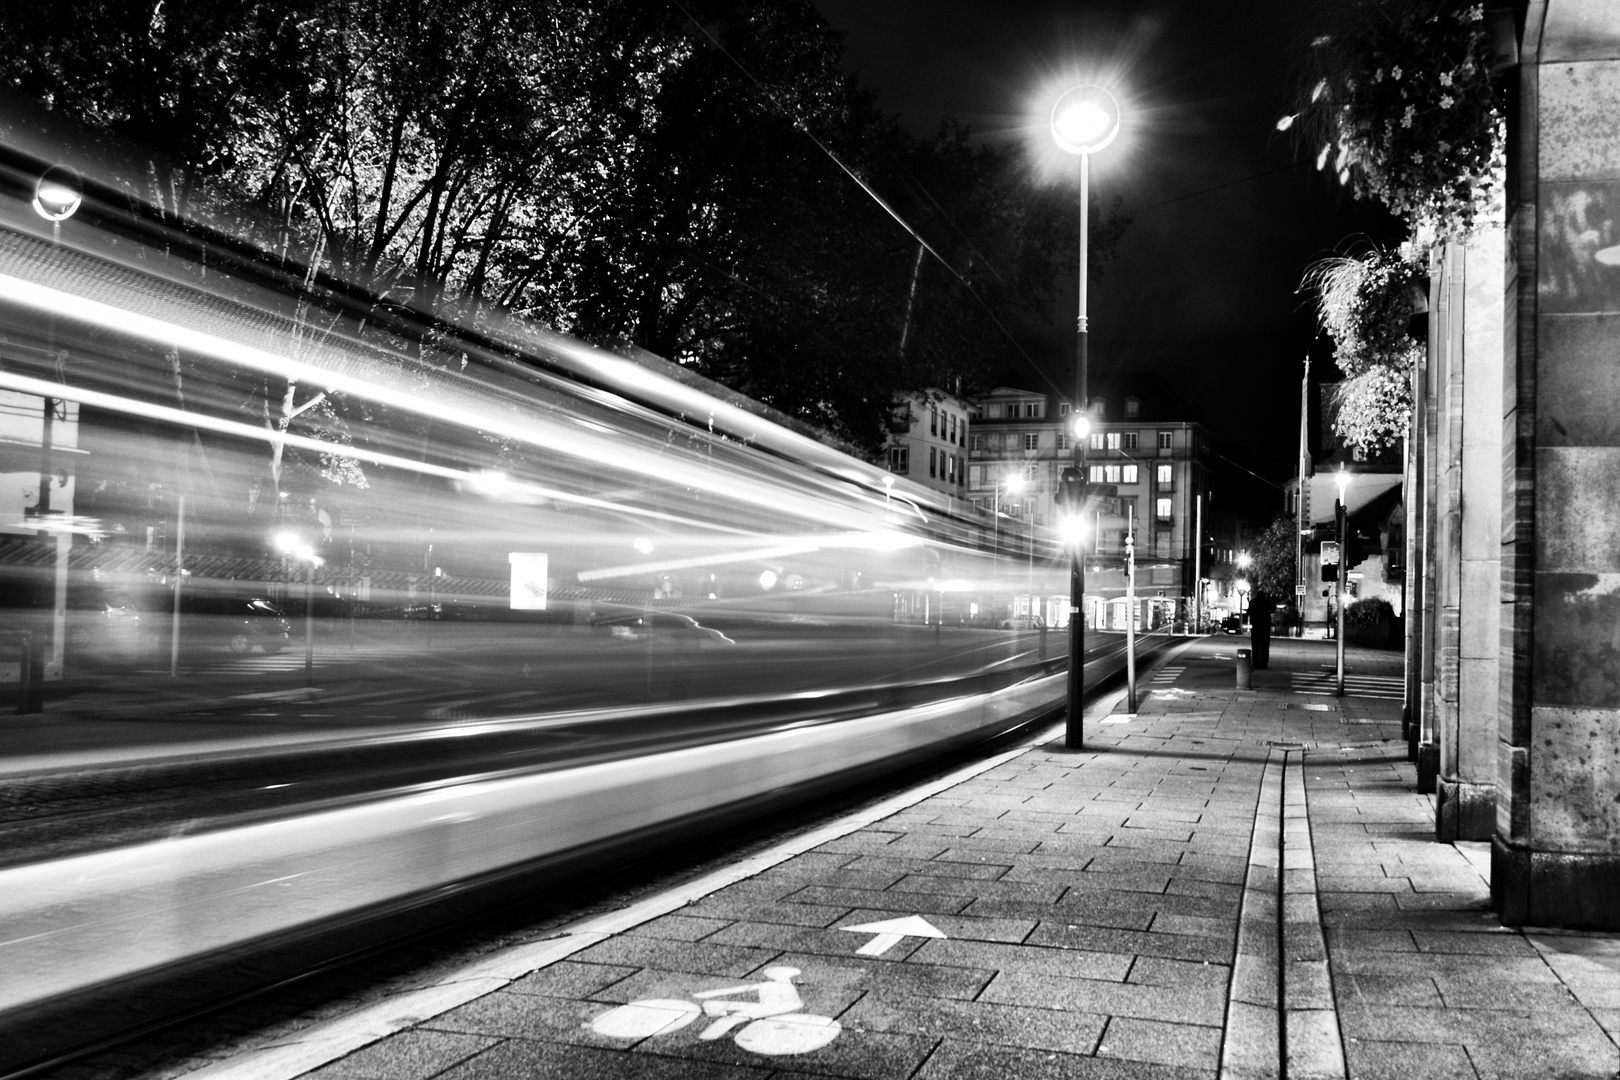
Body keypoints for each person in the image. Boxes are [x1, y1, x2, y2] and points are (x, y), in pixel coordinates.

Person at [1249, 587, 1272, 669]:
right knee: (1265, 646)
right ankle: (1264, 663)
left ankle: (1255, 662)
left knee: (1255, 646)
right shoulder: (1267, 603)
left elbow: (1249, 612)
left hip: (1256, 626)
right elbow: (1272, 610)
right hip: (1265, 627)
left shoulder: (1252, 602)